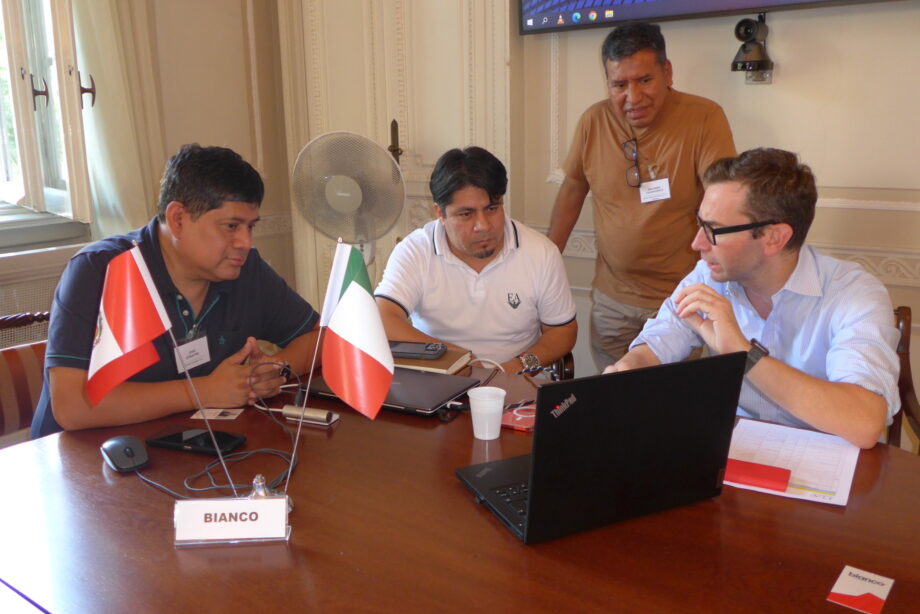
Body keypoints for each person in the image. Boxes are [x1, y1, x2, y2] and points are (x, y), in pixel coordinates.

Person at [606, 148, 899, 449]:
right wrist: (631, 365)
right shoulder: (709, 275)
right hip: (737, 449)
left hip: (827, 459)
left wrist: (744, 352)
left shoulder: (854, 293)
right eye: (700, 224)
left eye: (714, 230)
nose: (697, 243)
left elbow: (864, 423)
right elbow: (661, 339)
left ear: (774, 238)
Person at [31, 144, 320, 437]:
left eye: (250, 227)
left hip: (187, 446)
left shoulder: (246, 270)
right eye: (231, 226)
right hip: (85, 456)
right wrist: (203, 391)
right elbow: (71, 407)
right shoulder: (99, 269)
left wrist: (274, 370)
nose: (245, 242)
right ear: (178, 219)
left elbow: (320, 338)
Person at [547, 22, 736, 370]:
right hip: (612, 299)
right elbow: (573, 187)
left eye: (644, 80)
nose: (632, 98)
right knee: (614, 391)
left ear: (667, 73)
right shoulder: (593, 121)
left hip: (678, 298)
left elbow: (722, 198)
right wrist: (546, 259)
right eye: (619, 85)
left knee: (669, 397)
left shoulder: (704, 117)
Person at [375, 146, 577, 375]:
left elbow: (562, 331)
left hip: (515, 379)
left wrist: (519, 366)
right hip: (439, 378)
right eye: (466, 214)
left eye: (492, 208)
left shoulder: (541, 252)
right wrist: (458, 359)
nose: (483, 225)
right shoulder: (415, 250)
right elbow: (382, 319)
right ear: (440, 213)